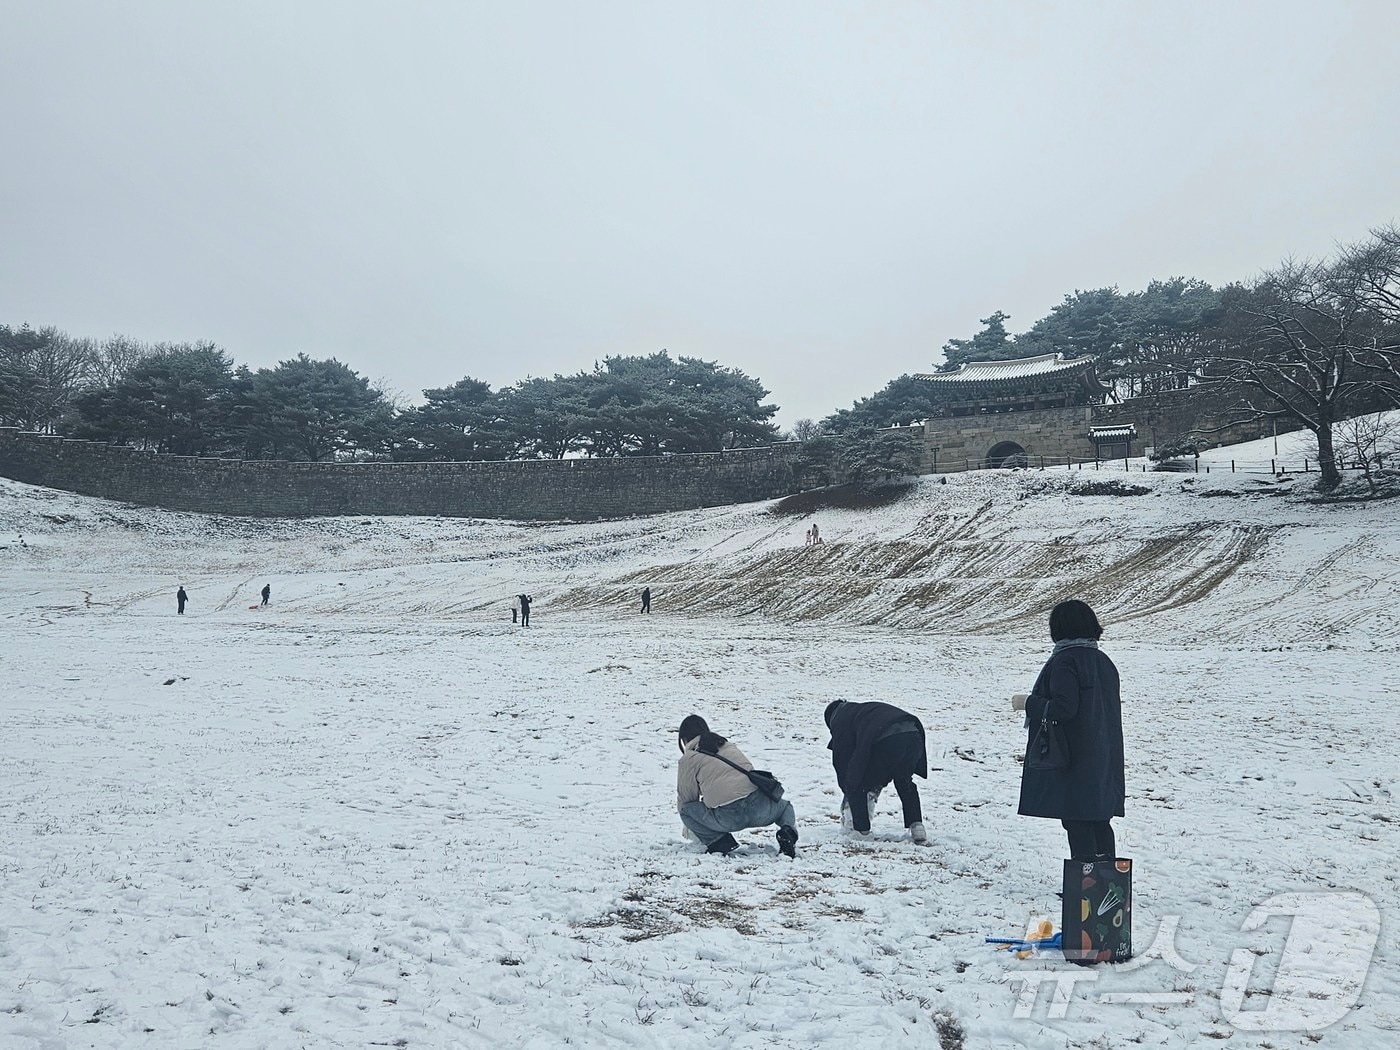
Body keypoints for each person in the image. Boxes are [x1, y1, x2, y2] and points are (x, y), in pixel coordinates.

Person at [1017, 599, 1124, 860]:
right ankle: (1107, 884)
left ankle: (1085, 887)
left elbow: (1064, 709)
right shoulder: (1103, 661)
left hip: (1074, 754)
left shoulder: (1065, 661)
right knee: (1099, 818)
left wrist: (1027, 703)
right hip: (1103, 751)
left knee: (1077, 821)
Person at [676, 715, 798, 857]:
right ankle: (788, 832)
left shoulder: (688, 759)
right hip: (758, 808)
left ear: (684, 739)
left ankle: (719, 842)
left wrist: (693, 826)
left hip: (727, 817)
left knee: (686, 810)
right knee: (785, 807)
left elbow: (687, 800)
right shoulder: (726, 744)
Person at [824, 700, 928, 844]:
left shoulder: (840, 719)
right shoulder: (860, 710)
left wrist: (849, 790)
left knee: (856, 781)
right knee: (904, 780)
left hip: (887, 739)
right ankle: (917, 827)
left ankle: (861, 831)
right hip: (913, 735)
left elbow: (842, 762)